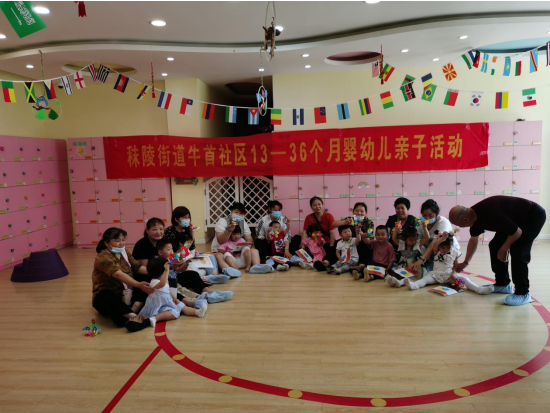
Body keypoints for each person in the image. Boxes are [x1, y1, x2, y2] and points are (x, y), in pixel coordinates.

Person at [449, 196, 546, 306]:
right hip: (514, 220)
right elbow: (473, 240)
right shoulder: (474, 219)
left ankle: (523, 293)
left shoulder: (490, 213)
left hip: (532, 216)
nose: (459, 227)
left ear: (464, 219)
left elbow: (517, 232)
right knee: (495, 245)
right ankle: (503, 283)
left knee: (518, 249)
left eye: (458, 224)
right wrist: (465, 263)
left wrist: (504, 249)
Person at [91, 227, 155, 332]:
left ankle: (133, 310)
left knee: (148, 281)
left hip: (126, 293)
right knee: (105, 296)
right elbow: (118, 275)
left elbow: (138, 267)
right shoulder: (103, 257)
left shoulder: (124, 252)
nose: (121, 243)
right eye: (117, 241)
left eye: (123, 240)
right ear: (106, 243)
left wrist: (156, 272)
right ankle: (136, 317)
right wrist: (138, 285)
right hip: (110, 296)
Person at [404, 232, 493, 295]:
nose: (445, 250)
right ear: (439, 247)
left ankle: (478, 289)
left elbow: (456, 266)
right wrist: (442, 238)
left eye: (448, 248)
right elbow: (435, 244)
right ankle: (414, 285)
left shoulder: (455, 253)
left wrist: (454, 273)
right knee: (425, 280)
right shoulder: (437, 251)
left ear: (451, 246)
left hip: (449, 277)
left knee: (464, 279)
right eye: (443, 248)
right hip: (435, 275)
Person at [155, 239, 234, 304]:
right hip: (169, 282)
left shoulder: (172, 258)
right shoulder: (158, 261)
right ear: (160, 252)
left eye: (172, 249)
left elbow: (178, 270)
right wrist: (171, 268)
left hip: (176, 277)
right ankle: (204, 296)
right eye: (168, 249)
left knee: (193, 274)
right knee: (183, 289)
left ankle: (209, 292)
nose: (171, 251)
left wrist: (183, 266)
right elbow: (162, 276)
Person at [139, 257, 208, 326]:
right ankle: (154, 318)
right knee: (174, 312)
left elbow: (167, 290)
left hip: (167, 302)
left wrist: (174, 298)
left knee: (182, 306)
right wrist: (166, 271)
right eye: (167, 267)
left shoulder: (164, 280)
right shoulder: (154, 282)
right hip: (159, 306)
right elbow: (162, 284)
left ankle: (197, 312)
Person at [211, 202, 272, 274]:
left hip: (238, 253)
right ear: (231, 211)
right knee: (219, 256)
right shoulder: (223, 221)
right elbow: (220, 241)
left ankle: (256, 267)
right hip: (223, 252)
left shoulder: (243, 222)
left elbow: (249, 239)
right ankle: (229, 270)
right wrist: (229, 231)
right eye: (236, 212)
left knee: (254, 251)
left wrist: (246, 245)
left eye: (241, 213)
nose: (238, 215)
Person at [130, 217, 167, 312]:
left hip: (161, 273)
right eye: (154, 229)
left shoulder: (163, 243)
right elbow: (145, 269)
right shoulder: (142, 244)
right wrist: (162, 275)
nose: (158, 232)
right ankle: (136, 306)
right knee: (149, 283)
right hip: (146, 274)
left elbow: (169, 258)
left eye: (161, 229)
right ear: (147, 230)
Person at [301, 196, 349, 264]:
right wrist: (302, 245)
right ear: (311, 207)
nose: (317, 206)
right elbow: (305, 232)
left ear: (322, 204)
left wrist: (331, 246)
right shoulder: (308, 217)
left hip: (327, 243)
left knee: (340, 244)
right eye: (315, 205)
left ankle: (326, 261)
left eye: (319, 204)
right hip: (313, 244)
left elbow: (332, 232)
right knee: (296, 238)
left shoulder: (328, 216)